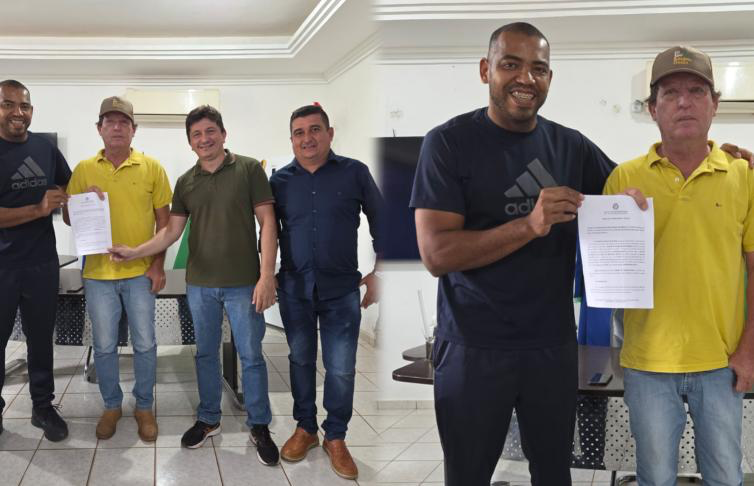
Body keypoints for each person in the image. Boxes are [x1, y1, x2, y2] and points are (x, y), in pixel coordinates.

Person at [604, 46, 754, 485]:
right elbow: (608, 273)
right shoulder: (624, 178)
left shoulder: (744, 177)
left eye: (696, 91)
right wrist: (615, 222)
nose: (684, 102)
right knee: (654, 478)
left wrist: (749, 349)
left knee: (725, 477)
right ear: (653, 109)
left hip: (721, 361)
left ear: (715, 104)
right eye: (670, 93)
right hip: (648, 363)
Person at [108, 105, 280, 465]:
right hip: (200, 284)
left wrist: (267, 276)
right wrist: (135, 251)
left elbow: (268, 223)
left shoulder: (249, 169)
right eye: (196, 135)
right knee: (205, 353)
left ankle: (259, 424)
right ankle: (209, 418)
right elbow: (171, 231)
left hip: (244, 283)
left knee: (250, 355)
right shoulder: (186, 181)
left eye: (210, 131)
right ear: (190, 142)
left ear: (223, 134)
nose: (204, 139)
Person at [270, 104, 382, 480]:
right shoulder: (279, 182)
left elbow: (383, 222)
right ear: (291, 139)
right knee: (300, 361)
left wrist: (380, 272)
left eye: (315, 129)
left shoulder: (355, 173)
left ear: (330, 133)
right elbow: (267, 232)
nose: (308, 138)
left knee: (341, 368)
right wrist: (266, 274)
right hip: (294, 288)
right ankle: (305, 428)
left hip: (341, 290)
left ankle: (335, 436)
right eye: (299, 132)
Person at [63, 96, 171, 442]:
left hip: (140, 274)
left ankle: (144, 406)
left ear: (134, 129)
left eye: (124, 122)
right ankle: (112, 405)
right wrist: (81, 201)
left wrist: (158, 265)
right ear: (99, 129)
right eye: (110, 122)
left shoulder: (152, 167)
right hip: (98, 275)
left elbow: (165, 224)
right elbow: (68, 218)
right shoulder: (83, 169)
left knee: (145, 343)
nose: (117, 127)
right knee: (105, 345)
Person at [0, 79, 70, 441]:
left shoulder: (45, 148)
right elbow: (40, 206)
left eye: (24, 106)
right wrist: (38, 209)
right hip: (2, 266)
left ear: (31, 111)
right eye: (8, 104)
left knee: (41, 340)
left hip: (42, 262)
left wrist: (83, 202)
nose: (17, 112)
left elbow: (67, 186)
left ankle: (43, 408)